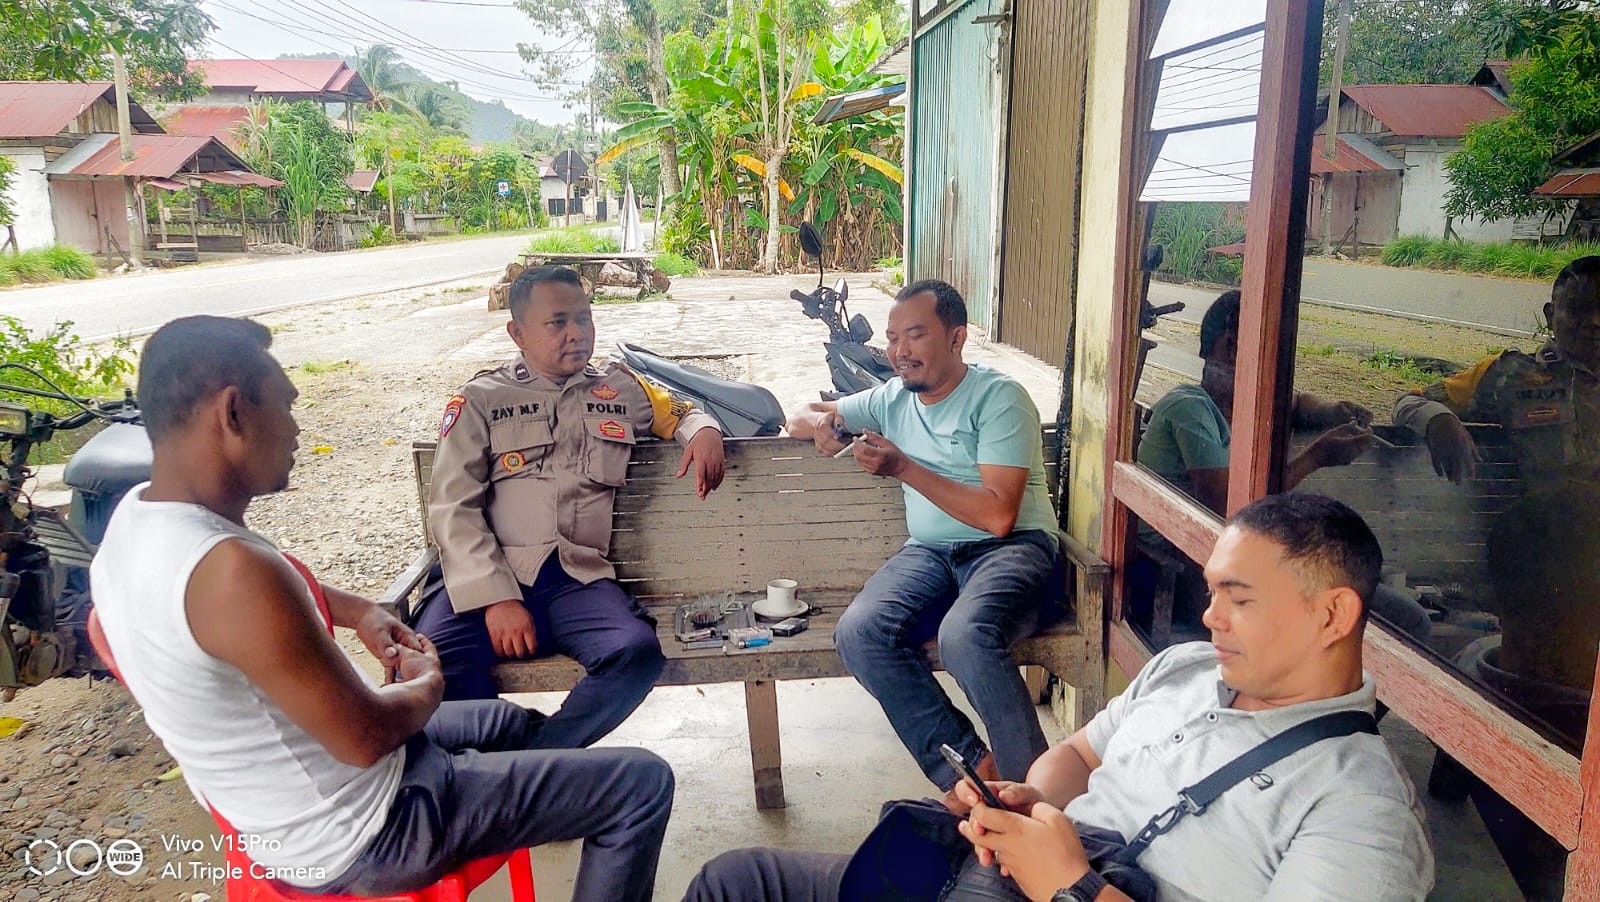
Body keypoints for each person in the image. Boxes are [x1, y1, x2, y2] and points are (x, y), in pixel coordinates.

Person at [90, 316, 673, 899]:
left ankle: (533, 799)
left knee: (512, 725)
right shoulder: (234, 572)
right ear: (233, 412)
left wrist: (361, 611)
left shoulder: (138, 523)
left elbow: (243, 606)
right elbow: (366, 736)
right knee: (640, 784)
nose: (296, 427)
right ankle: (522, 800)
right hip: (366, 830)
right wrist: (426, 683)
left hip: (302, 793)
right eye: (286, 406)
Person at [683, 493, 1434, 902]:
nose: (1210, 618)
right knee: (736, 881)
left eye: (1239, 599)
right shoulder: (1186, 668)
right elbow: (1077, 753)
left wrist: (1072, 889)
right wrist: (1028, 801)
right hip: (999, 881)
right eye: (1211, 594)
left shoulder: (1360, 808)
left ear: (1332, 615)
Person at [413, 264, 726, 746]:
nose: (576, 333)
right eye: (557, 322)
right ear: (517, 333)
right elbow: (453, 506)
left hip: (573, 579)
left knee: (634, 652)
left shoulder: (619, 388)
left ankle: (538, 757)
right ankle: (485, 768)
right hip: (485, 577)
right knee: (430, 668)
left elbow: (680, 410)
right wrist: (496, 598)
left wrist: (703, 431)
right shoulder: (482, 399)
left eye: (584, 318)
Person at [787, 278, 1064, 802]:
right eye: (893, 338)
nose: (899, 352)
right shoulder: (891, 399)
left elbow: (999, 516)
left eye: (915, 336)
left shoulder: (999, 398)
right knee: (860, 632)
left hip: (1013, 550)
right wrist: (825, 427)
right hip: (932, 555)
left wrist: (904, 468)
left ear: (957, 338)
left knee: (965, 635)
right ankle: (972, 771)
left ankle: (1039, 796)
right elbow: (800, 413)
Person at [1138, 290, 1375, 517]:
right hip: (1165, 544)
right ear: (1231, 347)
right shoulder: (1189, 409)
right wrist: (1316, 457)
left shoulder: (1239, 404)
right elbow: (1230, 506)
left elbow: (1297, 402)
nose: (1272, 361)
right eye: (1265, 346)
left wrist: (1331, 411)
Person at [1394, 255, 1600, 493]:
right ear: (1550, 316)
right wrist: (1438, 420)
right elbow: (1409, 403)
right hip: (1532, 514)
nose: (1595, 321)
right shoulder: (1507, 374)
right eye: (1578, 309)